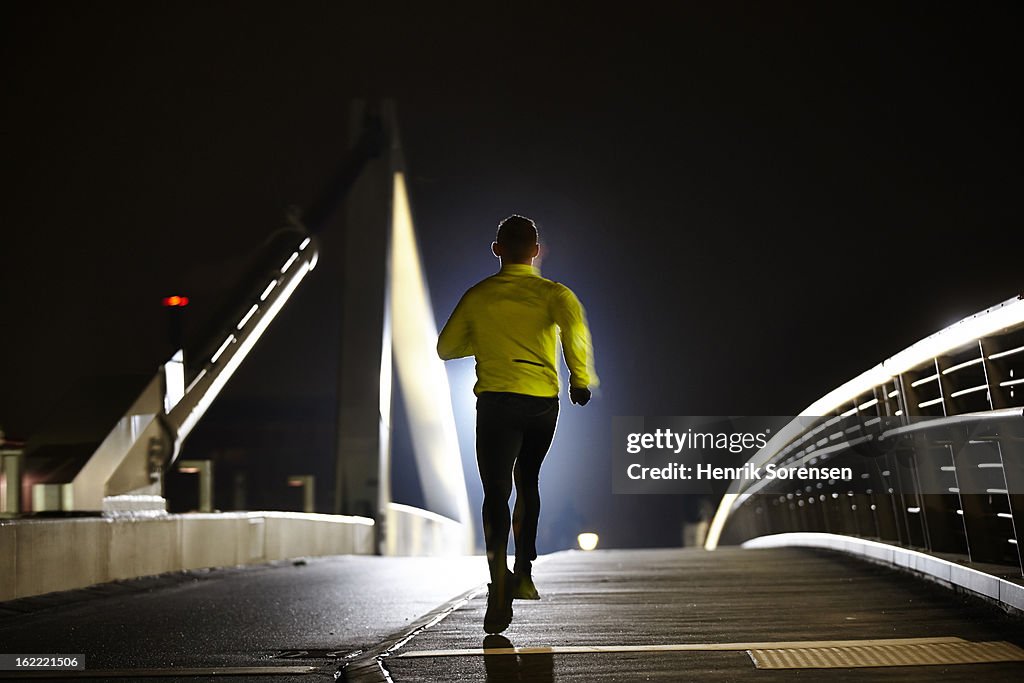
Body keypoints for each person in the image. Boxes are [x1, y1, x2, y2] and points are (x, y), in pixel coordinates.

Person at [437, 214, 598, 634]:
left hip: (496, 404)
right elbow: (574, 335)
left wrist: (489, 338)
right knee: (529, 481)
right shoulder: (555, 294)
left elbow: (446, 348)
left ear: (496, 251)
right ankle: (524, 569)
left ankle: (498, 583)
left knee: (495, 493)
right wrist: (579, 380)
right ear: (536, 251)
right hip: (542, 404)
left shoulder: (479, 296)